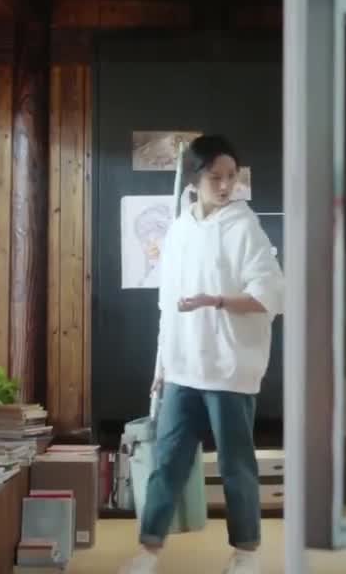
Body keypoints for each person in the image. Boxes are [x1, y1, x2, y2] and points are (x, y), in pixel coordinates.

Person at [120, 135, 284, 574]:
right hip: (183, 367)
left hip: (229, 368)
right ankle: (148, 550)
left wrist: (217, 300)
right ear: (194, 178)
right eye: (216, 177)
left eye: (231, 176)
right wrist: (161, 364)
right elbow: (167, 303)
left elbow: (270, 294)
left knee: (235, 465)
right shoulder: (179, 229)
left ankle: (246, 552)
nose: (226, 185)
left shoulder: (244, 227)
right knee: (167, 463)